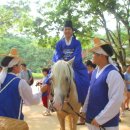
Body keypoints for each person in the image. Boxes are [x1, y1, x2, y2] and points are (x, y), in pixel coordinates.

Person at [81, 37, 125, 130]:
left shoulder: (113, 73)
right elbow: (90, 92)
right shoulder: (95, 72)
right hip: (92, 122)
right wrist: (84, 110)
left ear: (102, 55)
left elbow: (116, 100)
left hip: (106, 125)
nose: (92, 56)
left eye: (94, 54)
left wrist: (100, 119)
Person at [52, 20, 90, 105]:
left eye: (69, 29)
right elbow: (57, 54)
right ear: (63, 31)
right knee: (48, 80)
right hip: (61, 66)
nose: (67, 31)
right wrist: (62, 63)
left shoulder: (77, 43)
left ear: (72, 31)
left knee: (84, 80)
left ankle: (83, 101)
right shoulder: (59, 43)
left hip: (74, 65)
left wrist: (69, 62)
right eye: (65, 29)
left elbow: (77, 55)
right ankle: (51, 101)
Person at [0, 48, 42, 120]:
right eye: (19, 64)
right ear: (14, 67)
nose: (20, 66)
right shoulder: (20, 82)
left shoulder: (2, 78)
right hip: (13, 121)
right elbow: (31, 100)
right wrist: (41, 92)